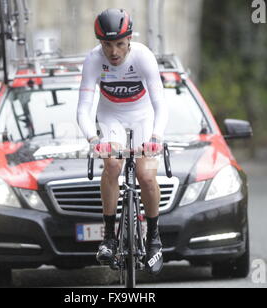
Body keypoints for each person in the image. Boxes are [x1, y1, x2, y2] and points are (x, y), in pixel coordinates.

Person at [76, 8, 168, 275]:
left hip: (143, 116)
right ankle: (108, 237)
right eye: (106, 44)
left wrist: (156, 137)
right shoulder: (93, 60)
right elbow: (83, 108)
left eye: (119, 44)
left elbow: (160, 104)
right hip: (111, 116)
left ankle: (153, 239)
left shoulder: (144, 57)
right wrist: (94, 140)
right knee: (113, 165)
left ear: (129, 39)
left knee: (146, 174)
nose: (113, 52)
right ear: (99, 43)